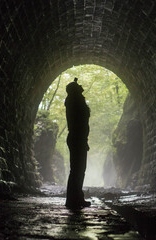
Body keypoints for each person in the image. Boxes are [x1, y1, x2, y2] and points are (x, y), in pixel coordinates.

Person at [65, 77, 91, 208]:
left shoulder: (74, 100)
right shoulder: (76, 101)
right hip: (77, 138)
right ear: (75, 90)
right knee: (77, 169)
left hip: (77, 138)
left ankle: (75, 198)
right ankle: (74, 199)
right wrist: (83, 139)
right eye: (78, 87)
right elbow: (81, 121)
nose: (81, 88)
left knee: (78, 169)